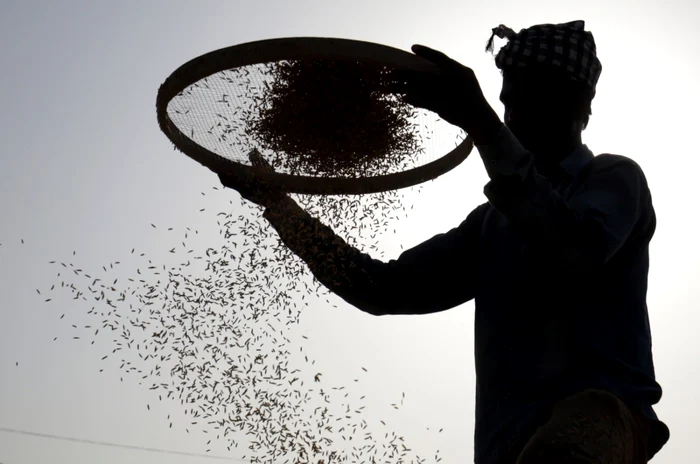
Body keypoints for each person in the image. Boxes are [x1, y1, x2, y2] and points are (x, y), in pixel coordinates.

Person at [220, 20, 670, 464]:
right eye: (503, 104)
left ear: (574, 102)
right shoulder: (490, 225)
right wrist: (277, 206)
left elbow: (574, 253)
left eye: (523, 99)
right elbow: (380, 288)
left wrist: (480, 121)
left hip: (605, 421)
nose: (509, 118)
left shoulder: (613, 178)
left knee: (580, 430)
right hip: (505, 446)